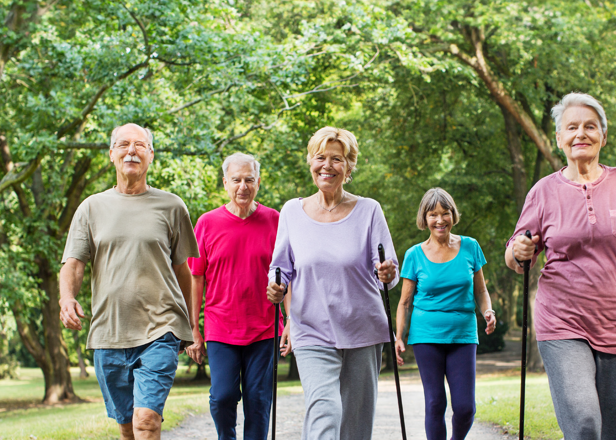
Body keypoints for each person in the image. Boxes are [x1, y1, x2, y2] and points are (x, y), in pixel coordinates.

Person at [504, 92, 616, 440]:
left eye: (590, 127)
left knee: (613, 433)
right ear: (559, 138)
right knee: (585, 424)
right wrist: (521, 250)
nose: (581, 134)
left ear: (603, 136)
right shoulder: (543, 192)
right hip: (562, 323)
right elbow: (515, 255)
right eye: (571, 127)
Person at [59, 123, 199, 440]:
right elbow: (74, 263)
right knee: (126, 427)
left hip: (161, 328)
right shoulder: (91, 207)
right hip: (110, 331)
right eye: (123, 144)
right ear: (111, 154)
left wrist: (190, 327)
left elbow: (183, 271)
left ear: (151, 155)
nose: (131, 150)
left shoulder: (172, 206)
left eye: (139, 145)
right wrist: (67, 298)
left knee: (146, 421)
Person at [266, 126, 399, 440]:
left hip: (363, 329)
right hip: (311, 329)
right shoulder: (291, 212)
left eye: (337, 159)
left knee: (355, 426)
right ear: (310, 161)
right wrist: (276, 287)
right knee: (325, 411)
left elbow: (388, 275)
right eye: (320, 157)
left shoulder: (369, 211)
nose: (327, 165)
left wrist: (388, 274)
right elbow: (280, 270)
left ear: (349, 166)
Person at [184, 152, 281, 440]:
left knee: (259, 400)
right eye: (236, 180)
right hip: (220, 326)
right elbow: (196, 277)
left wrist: (289, 321)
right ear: (225, 182)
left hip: (264, 328)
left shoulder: (274, 220)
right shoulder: (207, 223)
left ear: (258, 182)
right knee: (223, 396)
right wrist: (193, 329)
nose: (243, 186)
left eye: (249, 180)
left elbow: (286, 275)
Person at [394, 188, 496, 440]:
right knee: (435, 402)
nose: (440, 220)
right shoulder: (414, 254)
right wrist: (399, 336)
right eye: (433, 214)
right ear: (424, 219)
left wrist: (488, 311)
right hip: (426, 335)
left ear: (453, 215)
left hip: (463, 334)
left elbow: (481, 290)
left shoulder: (470, 247)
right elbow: (405, 302)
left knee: (465, 408)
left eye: (445, 213)